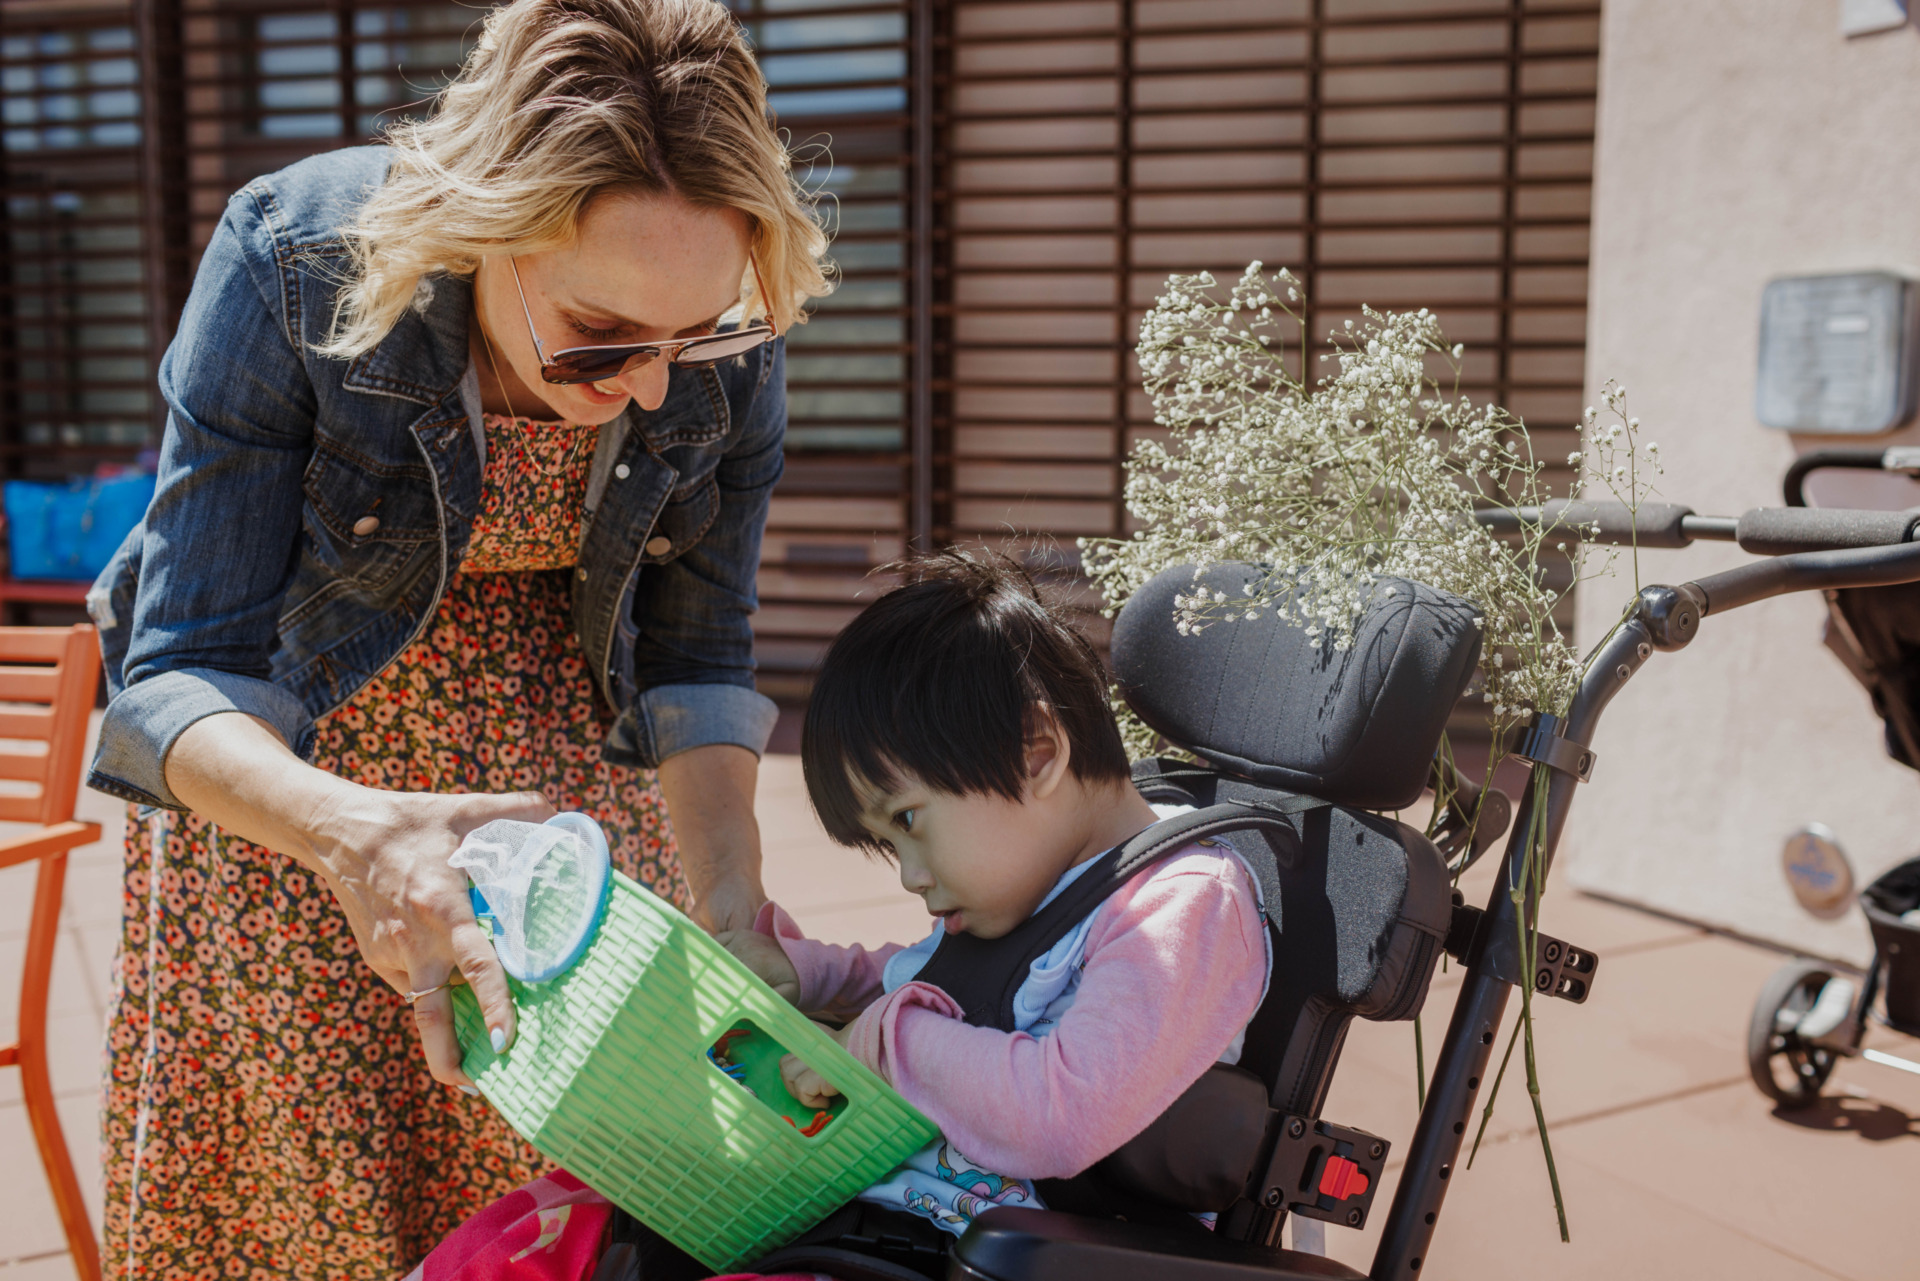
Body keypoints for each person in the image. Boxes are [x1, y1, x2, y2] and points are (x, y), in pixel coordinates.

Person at [81, 0, 828, 1274]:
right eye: (605, 340)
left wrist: (731, 903)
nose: (658, 384)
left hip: (566, 821)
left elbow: (698, 655)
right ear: (484, 232)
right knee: (309, 1209)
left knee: (555, 1205)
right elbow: (174, 676)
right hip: (293, 802)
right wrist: (358, 837)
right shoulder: (296, 259)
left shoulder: (712, 326)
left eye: (699, 334)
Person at [410, 552, 1274, 1280]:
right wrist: (813, 974)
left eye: (907, 822)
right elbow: (935, 986)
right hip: (866, 1211)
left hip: (992, 1247)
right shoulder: (1030, 877)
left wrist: (887, 1043)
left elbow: (1067, 1107)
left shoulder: (1183, 902)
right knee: (537, 1233)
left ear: (1036, 752)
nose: (909, 874)